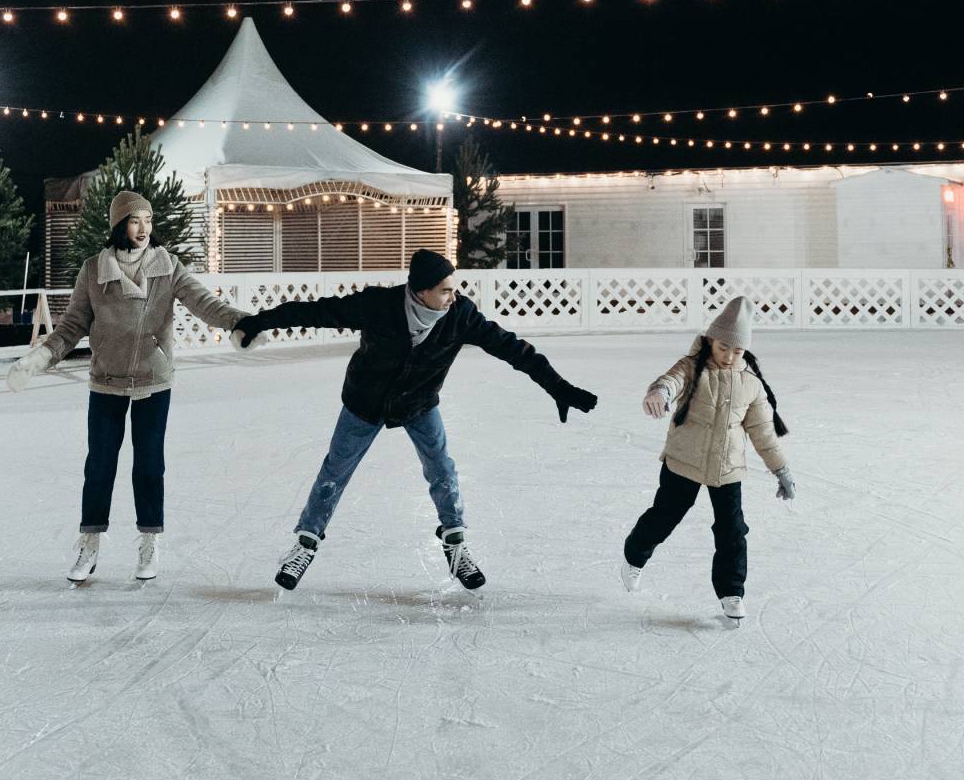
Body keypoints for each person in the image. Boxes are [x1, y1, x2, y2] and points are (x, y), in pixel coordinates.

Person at [231, 248, 598, 592]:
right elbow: (314, 312)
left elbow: (514, 350)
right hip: (366, 401)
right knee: (335, 470)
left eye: (454, 289)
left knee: (442, 469)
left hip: (419, 403)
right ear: (420, 292)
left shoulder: (460, 316)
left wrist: (558, 387)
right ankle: (305, 545)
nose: (452, 296)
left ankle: (456, 546)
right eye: (444, 290)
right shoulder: (379, 305)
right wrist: (258, 323)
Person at [5, 190, 247, 584]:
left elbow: (205, 303)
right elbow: (71, 326)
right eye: (135, 221)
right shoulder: (93, 270)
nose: (144, 229)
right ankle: (89, 543)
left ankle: (149, 540)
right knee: (99, 464)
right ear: (119, 224)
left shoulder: (167, 267)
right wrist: (39, 359)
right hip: (107, 380)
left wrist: (240, 322)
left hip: (153, 378)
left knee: (149, 464)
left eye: (148, 221)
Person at [620, 295, 794, 621]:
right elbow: (671, 381)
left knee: (732, 531)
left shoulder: (750, 384)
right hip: (684, 461)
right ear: (711, 340)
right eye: (722, 347)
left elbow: (763, 432)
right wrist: (659, 392)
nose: (729, 356)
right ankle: (634, 556)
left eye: (737, 350)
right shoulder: (692, 366)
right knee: (665, 516)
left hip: (727, 468)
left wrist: (780, 469)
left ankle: (731, 593)